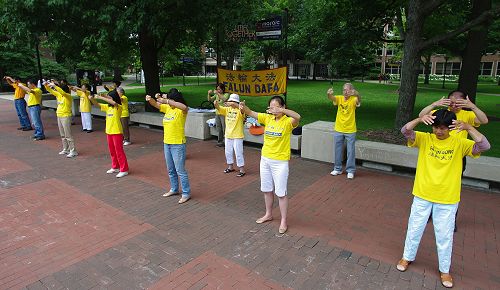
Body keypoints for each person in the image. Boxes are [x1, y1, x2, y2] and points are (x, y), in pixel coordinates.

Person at [396, 109, 490, 289]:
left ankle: (444, 270)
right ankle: (407, 257)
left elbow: (484, 146)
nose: (439, 132)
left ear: (451, 128)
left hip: (447, 197)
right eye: (436, 127)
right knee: (414, 228)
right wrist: (419, 118)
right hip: (423, 193)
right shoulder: (425, 139)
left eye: (444, 128)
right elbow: (405, 131)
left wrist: (469, 127)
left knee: (444, 235)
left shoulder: (460, 143)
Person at [418, 90, 488, 231]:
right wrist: (434, 104)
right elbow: (421, 116)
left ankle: (451, 219)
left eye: (458, 102)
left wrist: (472, 106)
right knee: (432, 182)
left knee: (452, 187)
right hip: (437, 153)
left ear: (464, 102)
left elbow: (484, 120)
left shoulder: (467, 115)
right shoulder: (442, 114)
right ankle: (429, 213)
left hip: (456, 156)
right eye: (451, 102)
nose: (454, 105)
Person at [240, 96, 301, 234]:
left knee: (281, 193)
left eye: (276, 107)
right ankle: (268, 214)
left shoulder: (287, 121)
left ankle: (283, 220)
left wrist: (282, 111)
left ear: (283, 107)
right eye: (271, 107)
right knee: (267, 190)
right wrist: (243, 107)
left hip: (280, 162)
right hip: (266, 160)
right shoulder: (267, 118)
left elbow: (298, 116)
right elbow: (251, 113)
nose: (273, 109)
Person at [145, 88, 191, 204]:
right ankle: (174, 189)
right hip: (167, 143)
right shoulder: (168, 108)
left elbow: (185, 107)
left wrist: (166, 100)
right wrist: (149, 99)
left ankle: (186, 193)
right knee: (171, 169)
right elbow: (155, 104)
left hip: (178, 144)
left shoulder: (181, 110)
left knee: (180, 170)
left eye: (170, 99)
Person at [89, 91, 129, 178]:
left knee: (119, 151)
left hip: (117, 132)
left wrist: (100, 97)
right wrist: (92, 99)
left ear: (114, 97)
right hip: (109, 131)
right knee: (112, 151)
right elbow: (97, 105)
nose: (108, 99)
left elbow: (114, 102)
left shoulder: (118, 107)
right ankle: (115, 167)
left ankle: (124, 169)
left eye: (109, 97)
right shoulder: (108, 107)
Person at [327, 83, 361, 179]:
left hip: (350, 130)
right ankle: (337, 169)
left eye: (347, 90)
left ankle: (350, 170)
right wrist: (329, 94)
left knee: (350, 151)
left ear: (351, 91)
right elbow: (331, 98)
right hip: (338, 128)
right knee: (338, 150)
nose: (345, 92)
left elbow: (359, 100)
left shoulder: (353, 99)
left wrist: (356, 93)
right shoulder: (339, 98)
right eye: (344, 90)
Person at [214, 93, 246, 177]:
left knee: (238, 152)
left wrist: (236, 104)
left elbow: (243, 111)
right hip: (228, 134)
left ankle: (242, 169)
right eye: (230, 101)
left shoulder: (240, 109)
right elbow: (219, 108)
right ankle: (230, 167)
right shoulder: (227, 109)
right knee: (228, 151)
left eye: (233, 101)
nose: (231, 103)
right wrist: (216, 104)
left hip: (238, 135)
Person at [44, 81, 78, 158]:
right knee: (62, 134)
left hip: (66, 116)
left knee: (68, 134)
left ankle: (73, 151)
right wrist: (46, 85)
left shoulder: (68, 96)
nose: (57, 90)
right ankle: (66, 149)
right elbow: (51, 91)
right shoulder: (59, 95)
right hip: (59, 115)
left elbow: (62, 92)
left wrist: (55, 86)